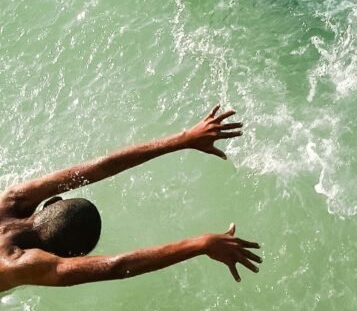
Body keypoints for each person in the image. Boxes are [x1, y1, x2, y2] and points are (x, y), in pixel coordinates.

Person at [0, 105, 261, 289]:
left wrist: (182, 139)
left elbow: (92, 169)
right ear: (71, 256)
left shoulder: (10, 201)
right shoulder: (20, 263)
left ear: (53, 202)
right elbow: (116, 267)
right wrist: (200, 244)